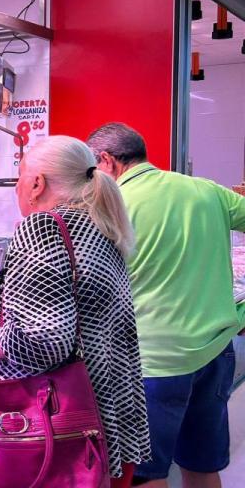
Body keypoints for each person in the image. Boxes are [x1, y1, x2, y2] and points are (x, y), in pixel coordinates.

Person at [0, 135, 150, 487]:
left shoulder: (43, 227)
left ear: (37, 184)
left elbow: (42, 341)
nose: (17, 189)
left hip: (63, 435)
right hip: (109, 423)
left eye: (20, 179)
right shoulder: (101, 223)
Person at [87, 123, 245, 488]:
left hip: (152, 364)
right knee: (202, 466)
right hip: (215, 353)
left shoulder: (111, 205)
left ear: (106, 161)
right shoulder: (206, 190)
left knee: (145, 476)